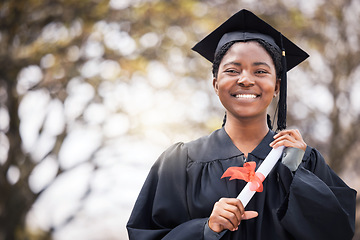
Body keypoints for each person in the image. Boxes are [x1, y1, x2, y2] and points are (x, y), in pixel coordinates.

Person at [127, 9, 356, 240]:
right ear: (216, 84)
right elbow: (146, 235)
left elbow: (338, 232)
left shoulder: (304, 160)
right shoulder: (179, 163)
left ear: (277, 86)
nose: (246, 80)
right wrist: (206, 229)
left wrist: (298, 175)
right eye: (232, 71)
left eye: (260, 71)